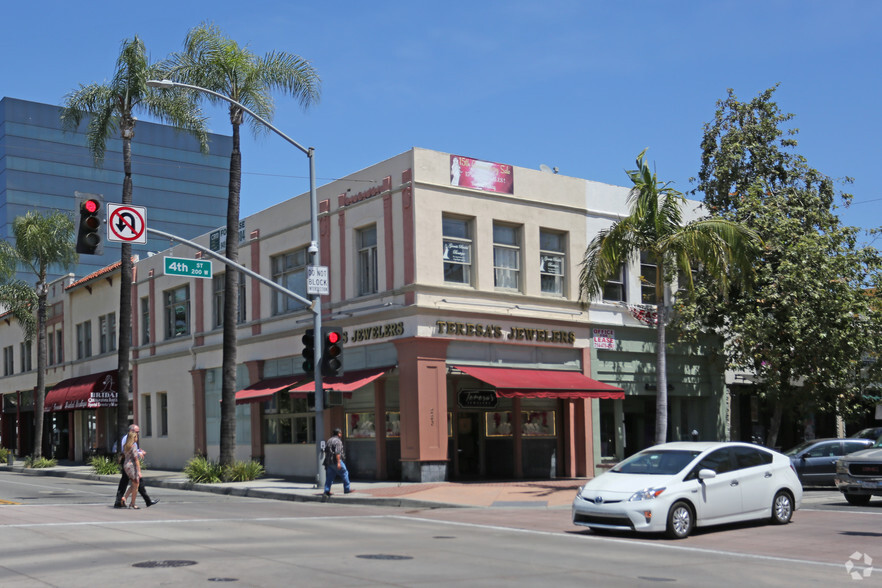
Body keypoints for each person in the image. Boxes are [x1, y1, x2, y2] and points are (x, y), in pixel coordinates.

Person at [113, 424, 159, 508]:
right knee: (136, 483)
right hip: (130, 464)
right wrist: (140, 454)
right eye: (136, 432)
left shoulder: (130, 442)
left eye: (138, 432)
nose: (138, 434)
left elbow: (130, 450)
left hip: (127, 463)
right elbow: (130, 453)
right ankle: (127, 501)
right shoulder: (127, 440)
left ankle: (122, 500)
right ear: (131, 431)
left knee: (131, 483)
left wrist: (138, 452)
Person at [323, 428, 353, 499]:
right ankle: (347, 489)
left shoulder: (329, 440)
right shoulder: (338, 441)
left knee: (329, 477)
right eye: (341, 433)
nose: (341, 435)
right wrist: (339, 462)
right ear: (338, 434)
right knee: (345, 473)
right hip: (336, 461)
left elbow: (326, 450)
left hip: (329, 462)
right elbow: (337, 452)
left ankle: (326, 491)